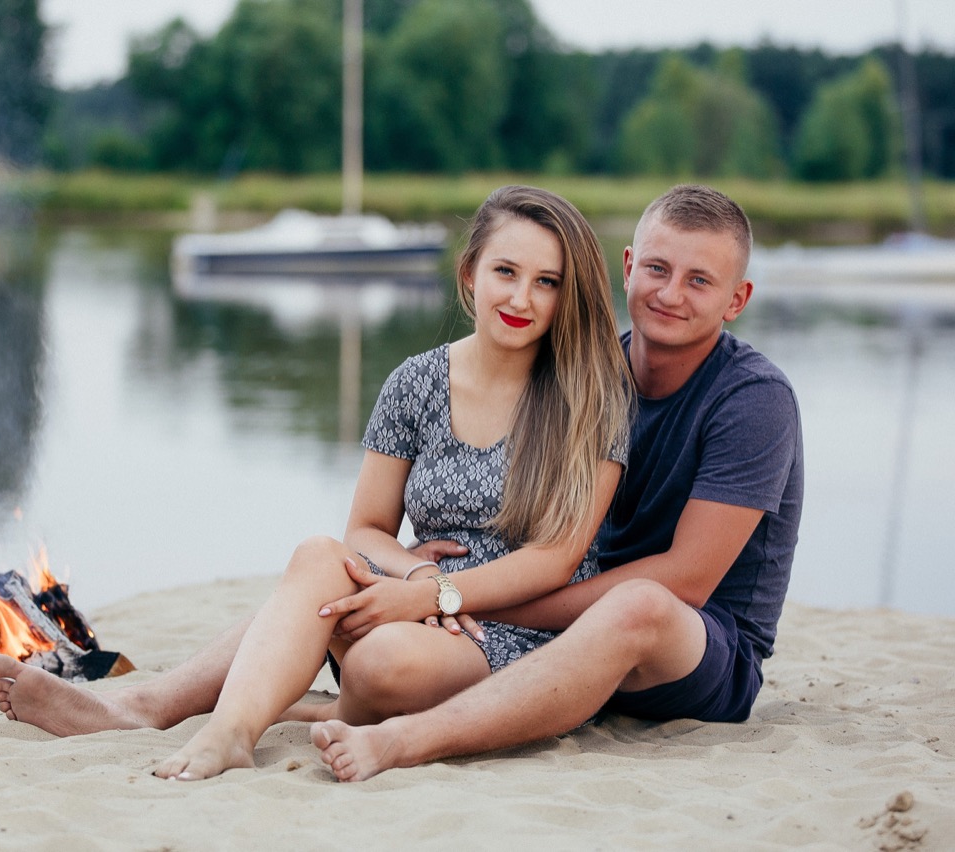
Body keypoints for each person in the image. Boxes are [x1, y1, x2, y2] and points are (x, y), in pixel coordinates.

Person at [0, 185, 634, 780]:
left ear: (567, 294)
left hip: (515, 633)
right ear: (470, 273)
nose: (521, 299)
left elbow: (557, 559)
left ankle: (301, 708)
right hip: (411, 595)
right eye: (506, 272)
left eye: (546, 282)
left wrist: (436, 596)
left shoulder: (590, 398)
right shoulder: (415, 382)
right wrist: (413, 574)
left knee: (378, 662)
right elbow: (367, 530)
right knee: (318, 557)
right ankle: (194, 722)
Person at [308, 183, 804, 781]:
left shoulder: (754, 400)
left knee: (640, 605)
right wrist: (423, 573)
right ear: (628, 268)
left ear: (736, 299)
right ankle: (220, 701)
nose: (671, 293)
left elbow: (688, 580)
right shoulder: (590, 376)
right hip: (566, 625)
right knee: (327, 574)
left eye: (700, 280)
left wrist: (461, 593)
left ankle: (406, 741)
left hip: (695, 649)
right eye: (657, 268)